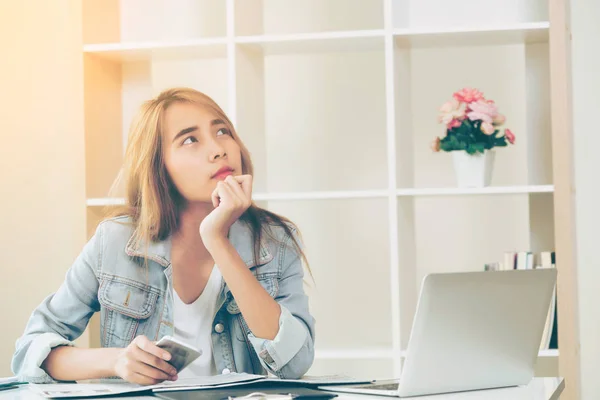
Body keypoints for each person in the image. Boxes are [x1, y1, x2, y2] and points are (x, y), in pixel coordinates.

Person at [11, 87, 316, 385]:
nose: (219, 149)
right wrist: (116, 361)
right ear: (159, 165)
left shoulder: (274, 240)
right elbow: (31, 349)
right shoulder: (115, 241)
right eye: (190, 139)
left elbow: (294, 364)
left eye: (222, 131)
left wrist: (218, 240)